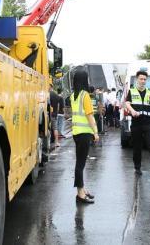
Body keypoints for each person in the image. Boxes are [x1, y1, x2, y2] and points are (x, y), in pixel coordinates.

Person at [125, 70, 150, 178]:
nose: (143, 81)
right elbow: (127, 103)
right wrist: (132, 111)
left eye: (144, 79)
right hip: (136, 123)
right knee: (137, 147)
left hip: (148, 123)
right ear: (137, 79)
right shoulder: (131, 91)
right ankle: (137, 167)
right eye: (141, 79)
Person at [70, 70, 99, 204]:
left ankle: (82, 190)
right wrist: (96, 132)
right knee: (80, 165)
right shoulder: (85, 95)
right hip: (84, 134)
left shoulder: (73, 96)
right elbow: (89, 115)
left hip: (76, 133)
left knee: (79, 163)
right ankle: (80, 194)